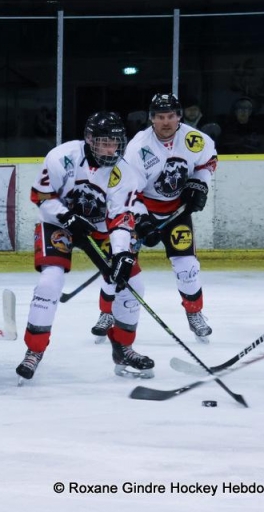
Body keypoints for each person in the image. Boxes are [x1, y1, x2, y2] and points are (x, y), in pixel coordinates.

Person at [18, 111, 153, 383]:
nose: (110, 148)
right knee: (49, 282)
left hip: (100, 229)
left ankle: (123, 348)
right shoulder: (62, 157)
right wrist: (66, 216)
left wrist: (123, 253)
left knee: (133, 284)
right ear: (90, 139)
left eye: (115, 142)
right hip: (56, 223)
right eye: (104, 142)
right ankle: (34, 350)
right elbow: (41, 195)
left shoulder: (124, 172)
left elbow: (120, 218)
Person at [91, 94, 218, 344]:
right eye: (160, 117)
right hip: (143, 210)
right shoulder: (139, 147)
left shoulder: (194, 140)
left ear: (179, 116)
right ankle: (106, 313)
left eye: (171, 116)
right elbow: (129, 191)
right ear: (152, 119)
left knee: (187, 267)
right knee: (118, 264)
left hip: (177, 214)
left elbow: (209, 162)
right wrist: (141, 220)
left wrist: (199, 184)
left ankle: (195, 314)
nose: (166, 122)